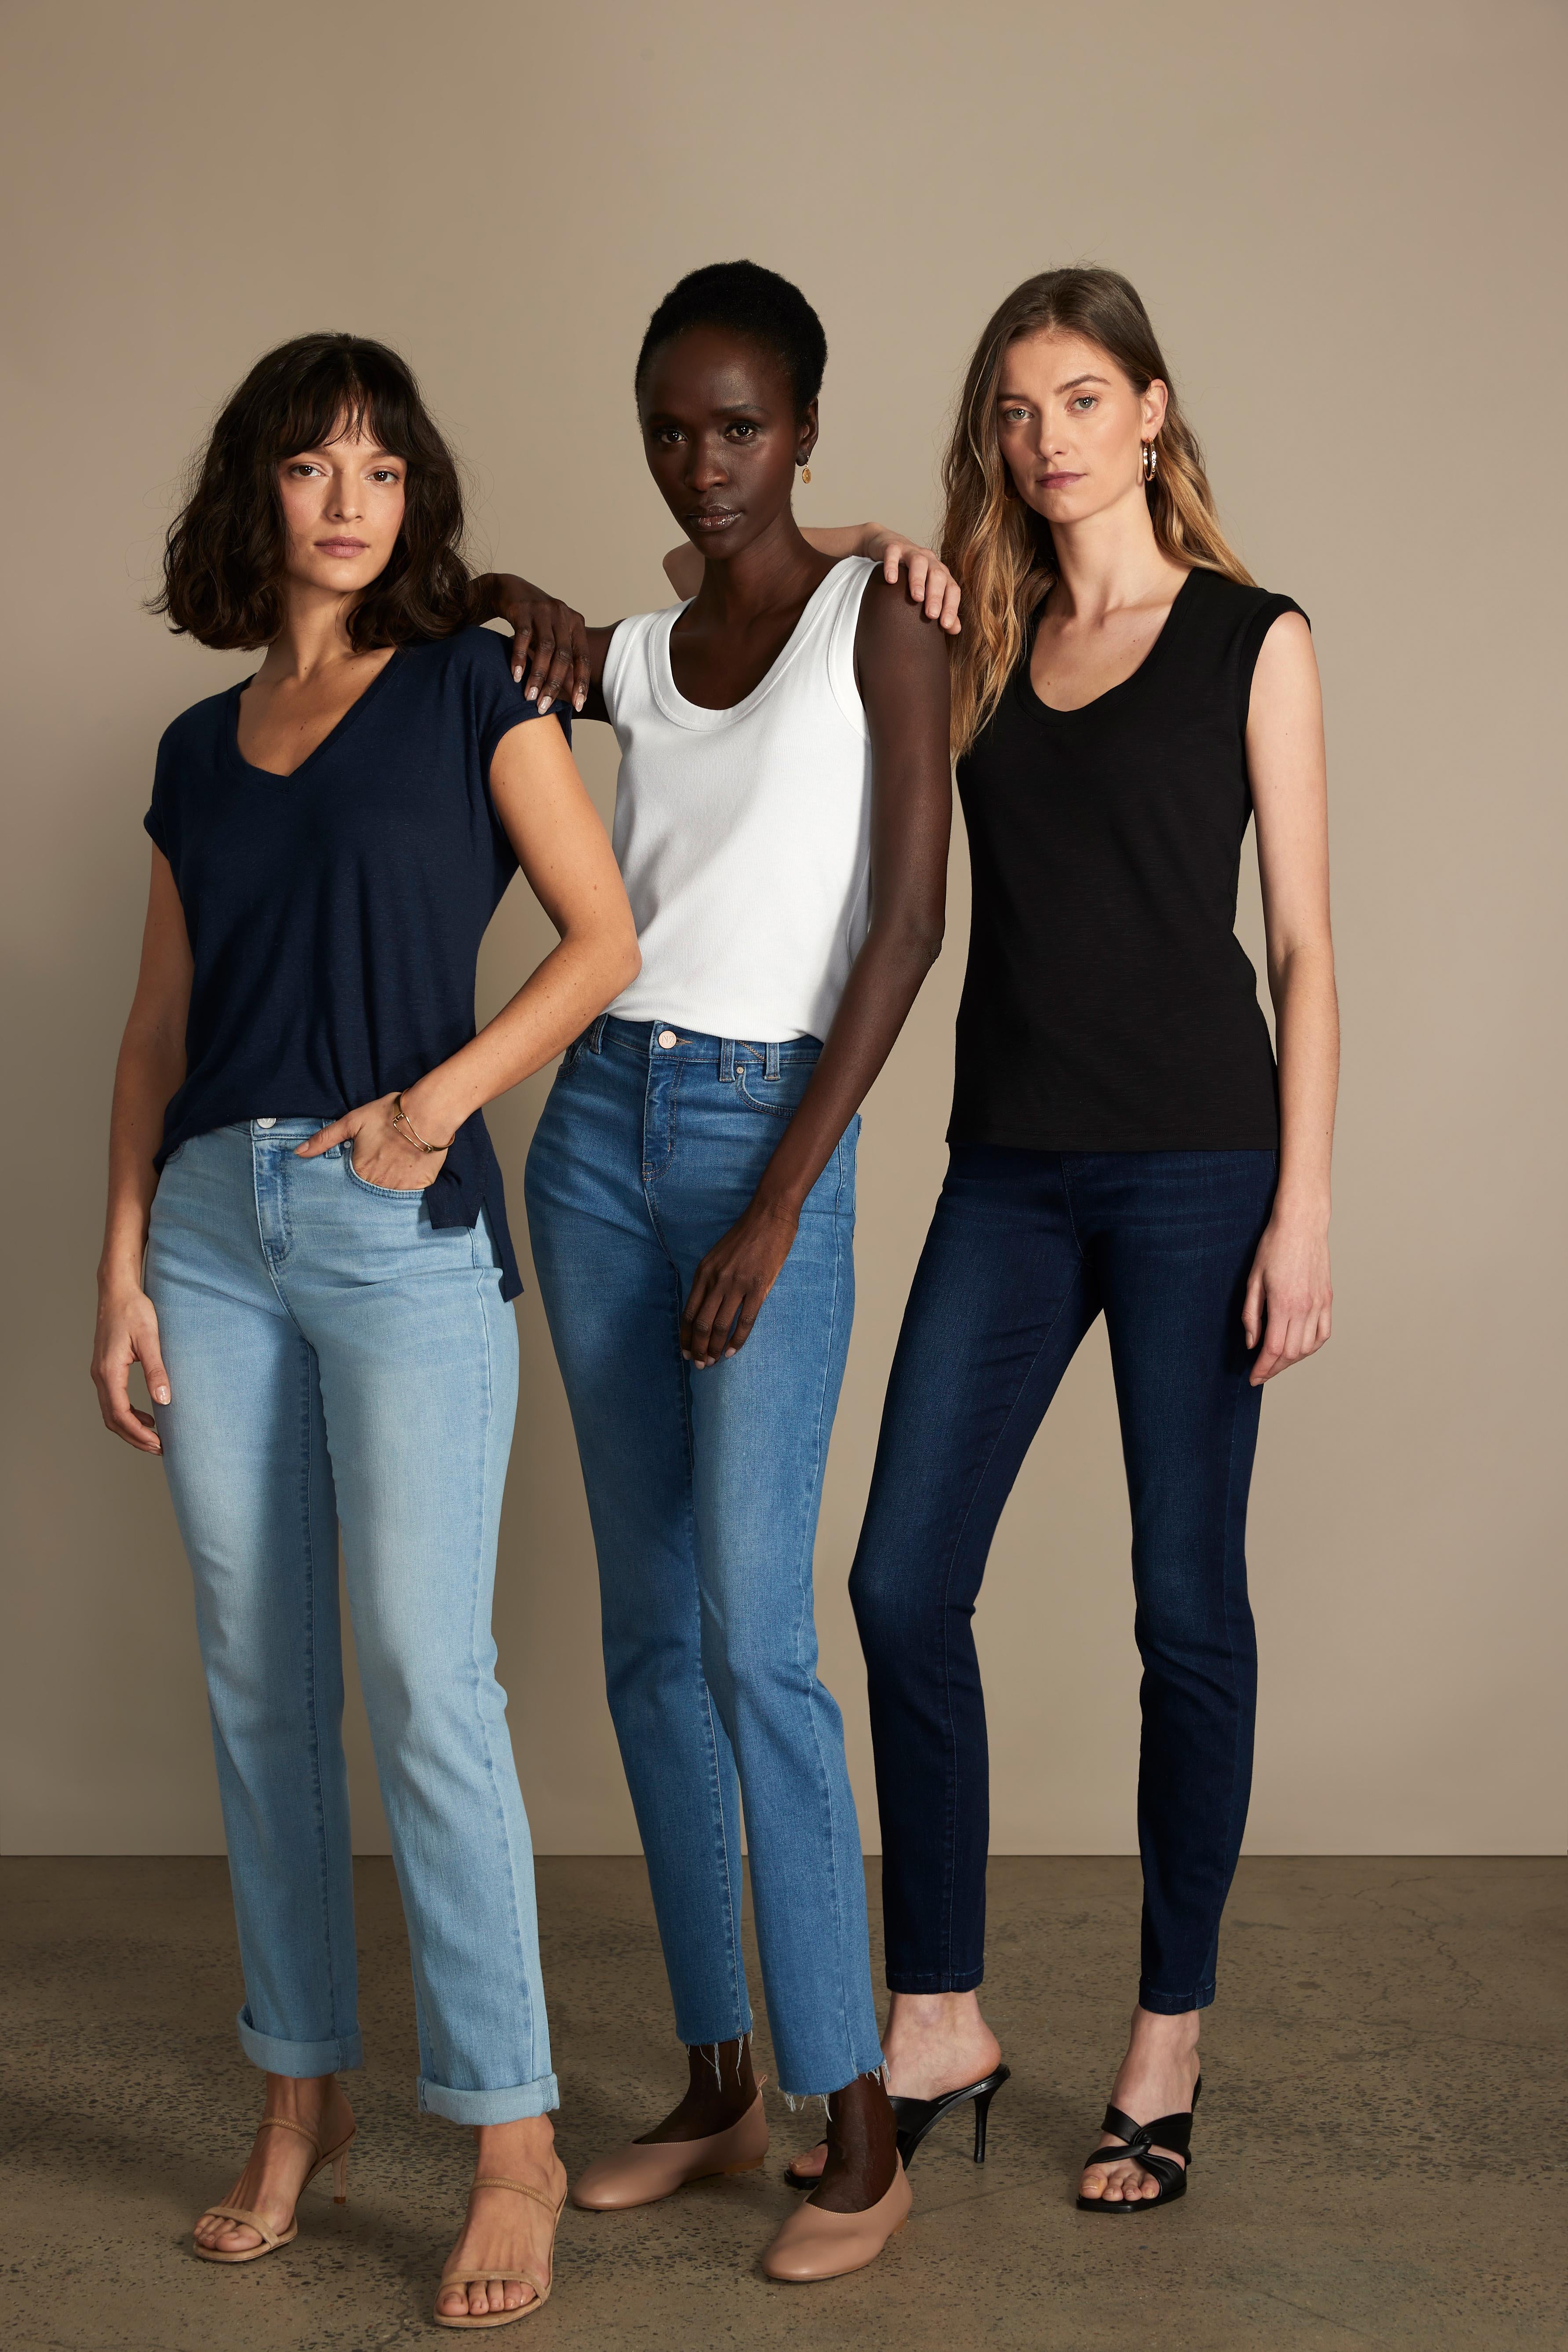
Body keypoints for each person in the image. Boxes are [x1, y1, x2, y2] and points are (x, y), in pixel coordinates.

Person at [91, 331, 640, 2327]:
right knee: (257, 1679)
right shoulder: (187, 752)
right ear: (258, 491)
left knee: (424, 1678)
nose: (348, 493)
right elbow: (159, 1035)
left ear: (415, 502)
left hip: (402, 1225)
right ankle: (296, 2098)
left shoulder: (471, 689)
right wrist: (123, 1253)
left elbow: (601, 937)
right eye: (314, 462)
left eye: (382, 466)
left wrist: (436, 1105)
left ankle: (513, 2139)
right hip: (221, 1231)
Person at [789, 265, 1338, 2212]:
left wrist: (1305, 1201)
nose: (1047, 438)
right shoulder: (983, 641)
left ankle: (1163, 2042)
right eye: (1017, 409)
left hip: (1201, 1169)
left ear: (1153, 414)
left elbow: (1301, 947)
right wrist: (869, 536)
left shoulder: (1251, 639)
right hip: (1010, 1170)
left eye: (1081, 399)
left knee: (1185, 1610)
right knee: (899, 1581)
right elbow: (825, 594)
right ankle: (937, 2011)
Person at [476, 260, 953, 2282]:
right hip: (595, 1137)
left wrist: (776, 1205)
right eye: (672, 425)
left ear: (807, 433)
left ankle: (863, 2125)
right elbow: (502, 626)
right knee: (647, 1643)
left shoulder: (883, 622)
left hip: (776, 1141)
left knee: (760, 1642)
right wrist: (503, 598)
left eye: (741, 425)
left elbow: (906, 927)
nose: (703, 459)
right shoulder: (649, 656)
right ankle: (717, 2077)